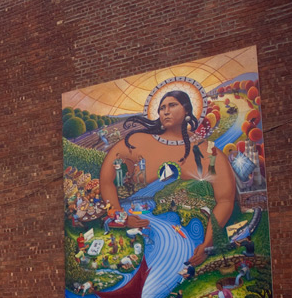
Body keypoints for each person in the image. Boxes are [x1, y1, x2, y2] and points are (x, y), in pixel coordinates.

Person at [100, 90, 236, 266]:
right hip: (139, 221)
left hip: (184, 234)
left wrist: (207, 243)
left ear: (187, 110)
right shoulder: (138, 141)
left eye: (172, 105)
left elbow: (225, 200)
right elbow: (106, 180)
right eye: (162, 107)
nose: (165, 111)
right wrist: (122, 217)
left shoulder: (207, 150)